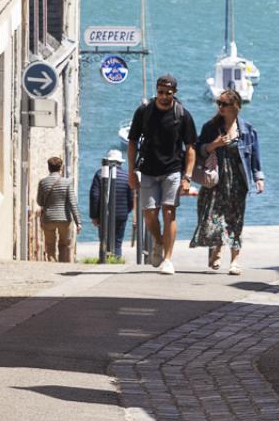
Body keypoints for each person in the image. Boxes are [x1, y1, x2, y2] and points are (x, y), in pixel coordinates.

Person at [187, 88, 263, 275]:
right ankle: (216, 248)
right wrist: (215, 145)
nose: (220, 107)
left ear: (236, 106)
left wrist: (259, 178)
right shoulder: (210, 127)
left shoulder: (247, 130)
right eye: (218, 103)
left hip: (238, 181)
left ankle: (235, 260)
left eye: (224, 104)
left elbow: (254, 156)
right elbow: (199, 151)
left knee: (235, 220)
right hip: (215, 180)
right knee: (212, 218)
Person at [128, 74, 197, 275]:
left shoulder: (182, 114)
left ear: (174, 93)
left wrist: (187, 177)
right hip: (147, 170)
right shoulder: (144, 112)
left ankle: (168, 259)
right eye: (160, 92)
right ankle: (158, 242)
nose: (164, 96)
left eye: (168, 93)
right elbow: (132, 142)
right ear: (156, 91)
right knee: (149, 214)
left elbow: (190, 147)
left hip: (172, 170)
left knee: (169, 212)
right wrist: (132, 171)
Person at [88, 150, 132, 260]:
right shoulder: (127, 176)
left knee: (104, 239)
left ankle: (104, 261)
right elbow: (131, 198)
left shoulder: (99, 174)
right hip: (121, 214)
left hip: (104, 213)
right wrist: (126, 211)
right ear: (120, 162)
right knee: (118, 242)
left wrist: (94, 215)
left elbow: (95, 196)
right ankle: (116, 262)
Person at [35, 156, 79, 263]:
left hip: (48, 218)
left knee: (50, 245)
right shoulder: (67, 182)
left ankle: (52, 265)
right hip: (65, 219)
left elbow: (39, 202)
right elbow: (73, 203)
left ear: (49, 167)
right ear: (61, 168)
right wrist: (78, 222)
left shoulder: (43, 182)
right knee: (64, 244)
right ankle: (62, 266)